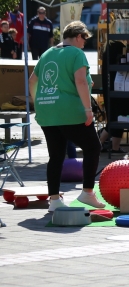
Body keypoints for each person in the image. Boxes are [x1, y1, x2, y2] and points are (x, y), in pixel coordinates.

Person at [28, 21, 105, 212]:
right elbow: (80, 80)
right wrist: (88, 109)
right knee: (93, 147)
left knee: (55, 156)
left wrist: (39, 102)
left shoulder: (47, 53)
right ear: (78, 36)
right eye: (84, 39)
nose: (84, 44)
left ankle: (54, 200)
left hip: (47, 110)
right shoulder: (76, 53)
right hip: (70, 111)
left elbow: (32, 81)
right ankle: (87, 192)